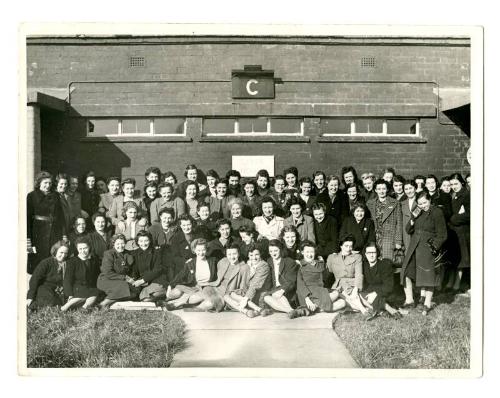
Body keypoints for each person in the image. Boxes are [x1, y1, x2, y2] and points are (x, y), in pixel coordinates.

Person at [400, 191, 447, 315]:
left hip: (428, 246)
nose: (422, 205)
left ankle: (427, 302)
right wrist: (412, 219)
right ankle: (410, 300)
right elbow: (408, 229)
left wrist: (434, 247)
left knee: (428, 274)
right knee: (406, 271)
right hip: (414, 245)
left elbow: (442, 235)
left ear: (430, 200)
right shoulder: (417, 210)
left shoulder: (437, 212)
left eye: (425, 202)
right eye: (420, 203)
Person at [290, 241, 346, 318]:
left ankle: (313, 309)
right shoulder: (300, 265)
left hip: (320, 292)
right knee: (335, 294)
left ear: (315, 252)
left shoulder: (319, 263)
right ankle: (311, 307)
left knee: (342, 303)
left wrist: (324, 264)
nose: (310, 255)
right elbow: (300, 285)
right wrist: (307, 299)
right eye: (307, 252)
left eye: (312, 252)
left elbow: (326, 279)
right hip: (307, 294)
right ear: (302, 252)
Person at [27, 171, 66, 273]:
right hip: (37, 232)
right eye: (45, 183)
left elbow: (61, 216)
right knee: (36, 256)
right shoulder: (32, 196)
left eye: (49, 183)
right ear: (39, 183)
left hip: (54, 231)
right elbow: (27, 217)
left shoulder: (56, 195)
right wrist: (28, 238)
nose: (48, 186)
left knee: (53, 255)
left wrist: (64, 234)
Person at [166, 238, 219, 310]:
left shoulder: (213, 261)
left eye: (203, 250)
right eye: (198, 250)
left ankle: (177, 303)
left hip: (207, 286)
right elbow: (181, 275)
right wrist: (170, 285)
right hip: (194, 286)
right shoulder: (191, 263)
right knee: (174, 293)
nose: (201, 253)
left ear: (206, 249)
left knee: (201, 295)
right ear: (194, 250)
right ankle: (175, 301)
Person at [224, 244, 272, 318]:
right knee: (229, 295)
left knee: (230, 297)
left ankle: (252, 310)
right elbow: (245, 284)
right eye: (251, 255)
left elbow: (254, 285)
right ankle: (256, 310)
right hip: (250, 294)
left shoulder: (263, 266)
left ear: (260, 255)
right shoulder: (248, 265)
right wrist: (237, 293)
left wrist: (245, 299)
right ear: (248, 256)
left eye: (256, 255)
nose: (254, 258)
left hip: (259, 296)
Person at [326, 235, 368, 314]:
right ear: (341, 246)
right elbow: (329, 272)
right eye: (346, 246)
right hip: (338, 286)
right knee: (346, 295)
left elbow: (359, 274)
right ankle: (364, 309)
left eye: (351, 246)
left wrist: (356, 289)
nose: (349, 249)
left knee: (354, 295)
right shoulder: (332, 257)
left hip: (352, 285)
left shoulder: (357, 257)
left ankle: (362, 309)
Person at [361, 242, 402, 320]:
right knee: (361, 295)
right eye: (369, 253)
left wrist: (375, 292)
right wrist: (371, 293)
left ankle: (386, 309)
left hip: (386, 294)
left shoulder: (384, 265)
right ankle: (386, 309)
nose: (371, 255)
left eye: (373, 252)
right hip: (371, 293)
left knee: (371, 297)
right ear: (365, 254)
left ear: (377, 253)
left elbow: (389, 286)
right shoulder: (364, 266)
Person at [366, 179, 403, 261]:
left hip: (389, 237)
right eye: (379, 189)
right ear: (375, 190)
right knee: (375, 262)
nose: (381, 191)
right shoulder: (370, 203)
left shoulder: (395, 203)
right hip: (375, 238)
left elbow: (399, 223)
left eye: (383, 188)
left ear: (387, 189)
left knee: (387, 262)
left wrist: (398, 241)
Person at [27, 240, 70, 309]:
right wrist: (30, 297)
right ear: (55, 251)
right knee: (51, 301)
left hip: (59, 289)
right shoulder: (46, 263)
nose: (63, 255)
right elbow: (35, 279)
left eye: (66, 253)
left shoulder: (68, 263)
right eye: (61, 252)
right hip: (45, 287)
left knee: (63, 301)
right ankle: (33, 305)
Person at [61, 237, 101, 311]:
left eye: (85, 248)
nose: (83, 251)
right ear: (77, 249)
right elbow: (67, 279)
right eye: (80, 249)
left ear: (89, 247)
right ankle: (65, 307)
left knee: (95, 293)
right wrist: (70, 294)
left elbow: (96, 275)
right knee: (89, 293)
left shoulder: (93, 260)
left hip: (89, 287)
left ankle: (84, 308)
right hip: (76, 287)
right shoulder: (72, 261)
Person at [96, 234, 136, 309]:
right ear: (113, 244)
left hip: (121, 280)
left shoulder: (128, 254)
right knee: (124, 287)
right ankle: (103, 304)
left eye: (122, 243)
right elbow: (108, 272)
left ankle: (109, 300)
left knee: (134, 291)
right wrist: (125, 278)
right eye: (118, 244)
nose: (120, 246)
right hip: (107, 279)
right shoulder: (109, 254)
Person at [261, 240, 299, 314]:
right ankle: (290, 311)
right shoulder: (269, 261)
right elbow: (268, 280)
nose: (273, 253)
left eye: (275, 250)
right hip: (274, 289)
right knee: (266, 297)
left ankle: (290, 310)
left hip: (287, 290)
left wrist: (282, 290)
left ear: (281, 250)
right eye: (270, 251)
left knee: (278, 295)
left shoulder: (289, 262)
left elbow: (291, 281)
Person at [447, 173, 470, 292]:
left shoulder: (467, 195)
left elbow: (471, 213)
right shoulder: (452, 194)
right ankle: (450, 282)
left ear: (462, 182)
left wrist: (455, 218)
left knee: (461, 258)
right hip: (453, 231)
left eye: (456, 184)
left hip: (462, 231)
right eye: (451, 184)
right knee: (453, 257)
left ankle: (457, 283)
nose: (453, 186)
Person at [129, 230, 168, 302]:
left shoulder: (157, 252)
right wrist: (134, 280)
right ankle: (158, 298)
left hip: (156, 280)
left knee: (145, 298)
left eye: (146, 241)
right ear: (137, 242)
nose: (143, 244)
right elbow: (134, 270)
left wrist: (143, 280)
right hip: (141, 282)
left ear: (150, 241)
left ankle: (162, 296)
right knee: (137, 295)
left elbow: (158, 270)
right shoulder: (134, 253)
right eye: (141, 241)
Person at [312, 201, 339, 269]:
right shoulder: (312, 221)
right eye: (316, 214)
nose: (318, 217)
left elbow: (334, 239)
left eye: (320, 214)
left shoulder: (332, 220)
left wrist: (334, 252)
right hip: (318, 249)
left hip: (329, 249)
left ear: (324, 212)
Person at [400, 179, 419, 252]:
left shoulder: (420, 202)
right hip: (406, 236)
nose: (409, 191)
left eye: (410, 188)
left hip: (417, 234)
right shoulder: (402, 204)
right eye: (406, 189)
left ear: (415, 188)